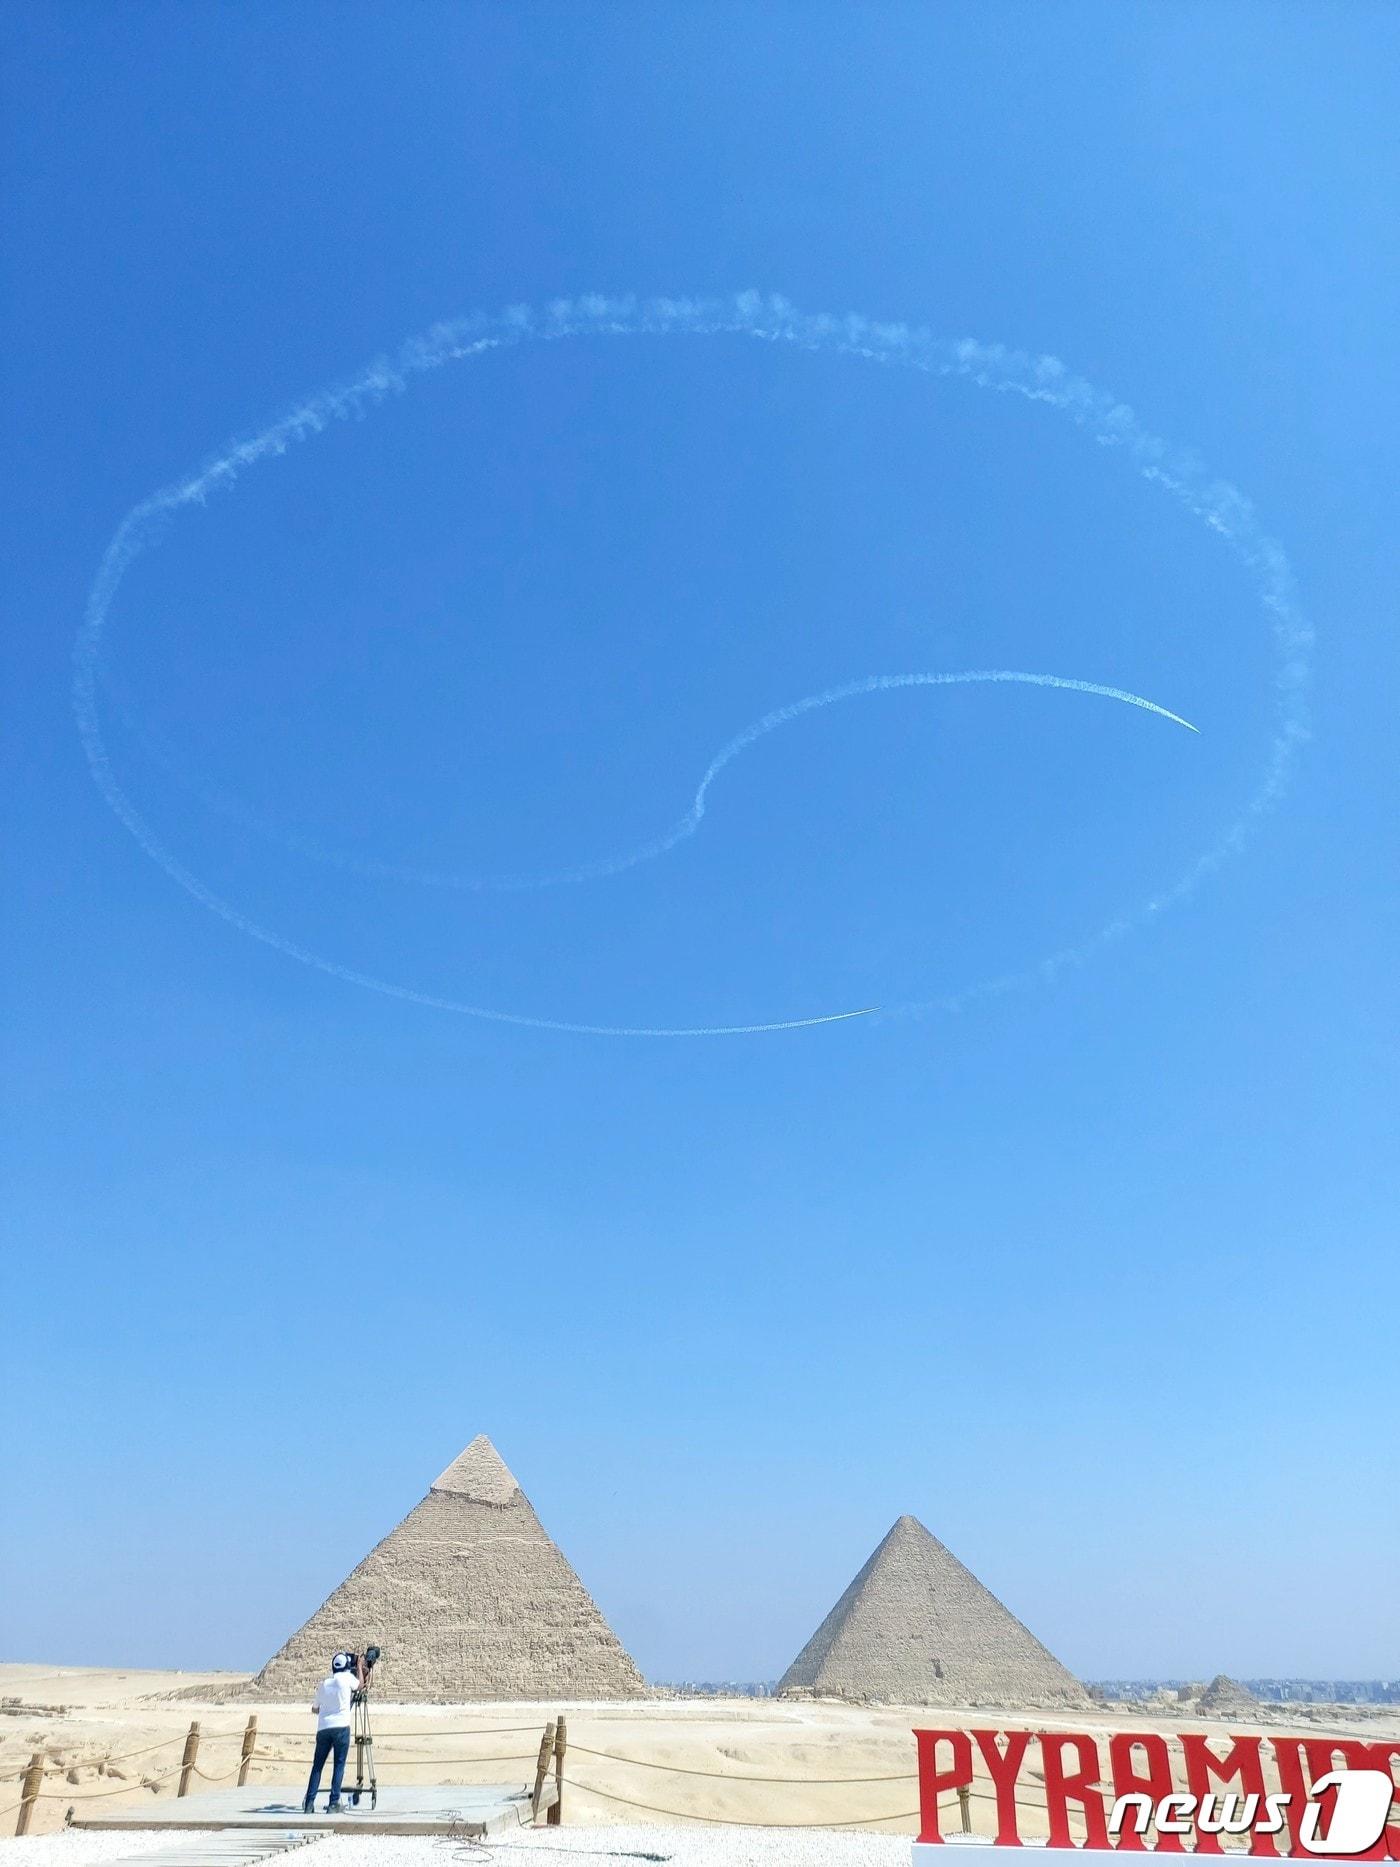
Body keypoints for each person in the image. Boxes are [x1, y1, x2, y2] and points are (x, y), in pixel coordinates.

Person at [303, 1650, 365, 1814]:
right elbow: (360, 1685)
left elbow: (314, 1709)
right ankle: (333, 1803)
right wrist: (359, 1666)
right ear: (347, 1666)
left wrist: (327, 1709)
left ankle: (309, 1803)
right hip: (341, 1728)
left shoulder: (324, 1684)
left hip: (323, 1729)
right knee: (339, 1766)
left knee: (317, 1767)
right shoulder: (347, 1679)